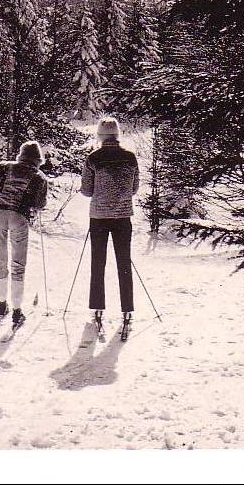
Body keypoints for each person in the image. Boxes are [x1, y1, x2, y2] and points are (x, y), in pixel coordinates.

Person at [0, 141, 49, 328]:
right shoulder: (39, 177)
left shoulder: (4, 167)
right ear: (38, 160)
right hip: (19, 216)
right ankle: (17, 311)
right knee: (18, 263)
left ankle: (1, 304)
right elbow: (39, 205)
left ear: (20, 155)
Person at [80, 117, 140, 331]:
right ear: (117, 135)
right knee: (124, 264)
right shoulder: (130, 158)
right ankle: (127, 310)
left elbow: (87, 191)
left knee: (98, 263)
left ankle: (97, 308)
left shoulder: (93, 158)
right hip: (123, 216)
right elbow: (134, 189)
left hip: (99, 217)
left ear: (100, 136)